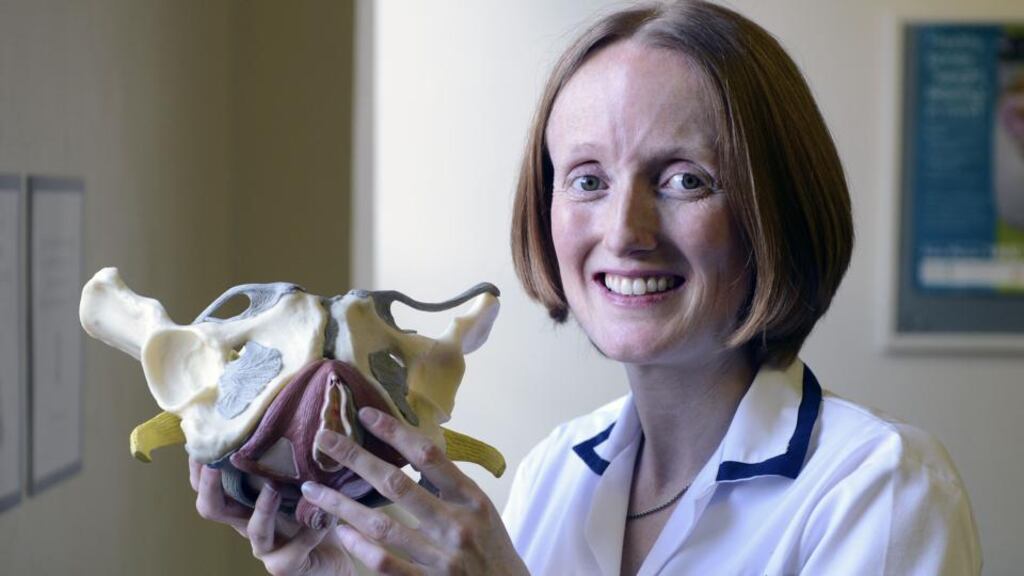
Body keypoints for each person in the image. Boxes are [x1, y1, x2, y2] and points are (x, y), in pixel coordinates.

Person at [191, 1, 982, 574]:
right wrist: (326, 566)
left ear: (774, 210)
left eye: (683, 178)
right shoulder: (551, 474)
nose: (624, 230)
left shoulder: (881, 489)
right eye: (588, 179)